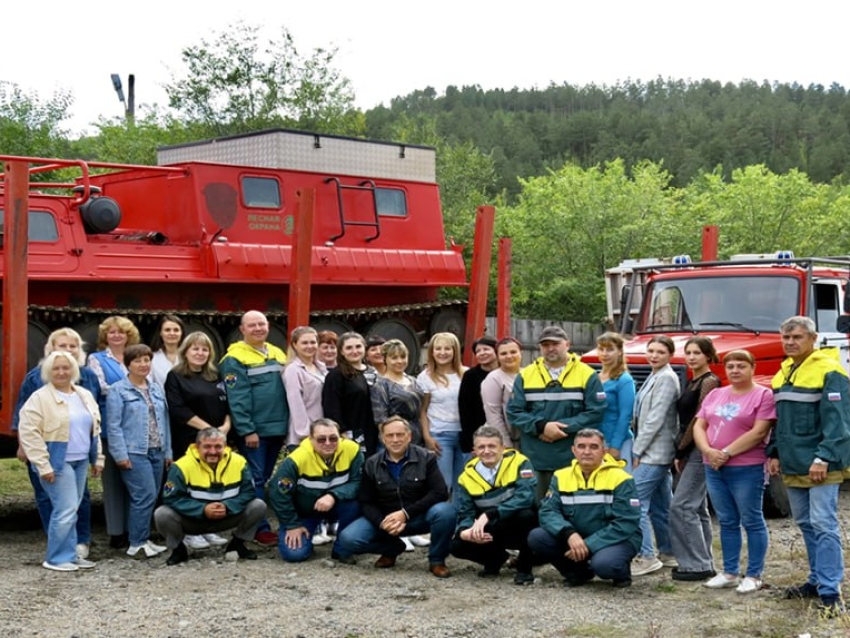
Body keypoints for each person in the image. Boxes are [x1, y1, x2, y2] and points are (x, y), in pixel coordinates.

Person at [768, 316, 850, 616]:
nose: (790, 342)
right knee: (805, 524)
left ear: (813, 339)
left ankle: (831, 592)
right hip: (793, 462)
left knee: (824, 525)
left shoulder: (830, 371)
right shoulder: (785, 371)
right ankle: (816, 580)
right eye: (786, 337)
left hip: (820, 464)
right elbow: (780, 420)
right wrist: (774, 452)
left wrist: (823, 458)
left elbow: (839, 423)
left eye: (797, 337)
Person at [13, 328, 103, 560]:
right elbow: (25, 417)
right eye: (62, 346)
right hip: (52, 452)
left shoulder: (87, 379)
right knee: (53, 501)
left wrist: (97, 455)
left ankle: (78, 545)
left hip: (80, 454)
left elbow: (95, 417)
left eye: (73, 346)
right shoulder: (37, 378)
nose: (68, 350)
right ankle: (59, 553)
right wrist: (25, 447)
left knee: (78, 501)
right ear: (51, 349)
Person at [693, 350, 775, 594]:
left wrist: (725, 452)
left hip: (746, 467)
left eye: (741, 366)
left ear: (752, 367)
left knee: (751, 519)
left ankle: (754, 574)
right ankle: (729, 572)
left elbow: (759, 432)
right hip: (713, 466)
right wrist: (708, 451)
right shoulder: (716, 394)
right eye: (730, 366)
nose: (735, 370)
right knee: (727, 520)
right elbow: (699, 424)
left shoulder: (763, 395)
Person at [336, 416, 457, 577]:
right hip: (386, 520)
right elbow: (366, 501)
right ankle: (391, 548)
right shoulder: (371, 463)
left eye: (400, 435)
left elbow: (440, 492)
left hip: (418, 516)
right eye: (390, 435)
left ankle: (437, 560)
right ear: (383, 439)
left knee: (446, 512)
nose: (395, 439)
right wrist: (382, 522)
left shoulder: (426, 457)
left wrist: (405, 514)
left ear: (409, 436)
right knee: (348, 539)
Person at [527, 428, 641, 587]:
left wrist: (589, 544)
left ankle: (621, 572)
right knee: (537, 537)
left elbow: (626, 522)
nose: (587, 452)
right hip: (576, 537)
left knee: (604, 565)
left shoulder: (621, 478)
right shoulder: (561, 476)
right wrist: (569, 534)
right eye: (581, 446)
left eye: (593, 447)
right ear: (574, 450)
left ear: (604, 451)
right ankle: (577, 572)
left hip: (614, 539)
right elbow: (548, 511)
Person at [506, 326, 606, 501]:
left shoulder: (587, 375)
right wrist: (542, 426)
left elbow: (595, 412)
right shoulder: (525, 376)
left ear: (567, 344)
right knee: (538, 509)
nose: (550, 348)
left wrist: (561, 430)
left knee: (572, 506)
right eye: (545, 345)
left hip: (573, 459)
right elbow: (514, 412)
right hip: (536, 458)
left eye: (555, 343)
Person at [219, 310, 289, 546]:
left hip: (277, 427)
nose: (258, 328)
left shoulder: (277, 352)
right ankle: (259, 528)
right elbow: (237, 398)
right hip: (255, 432)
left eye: (262, 324)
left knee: (264, 477)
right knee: (256, 479)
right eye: (252, 325)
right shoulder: (234, 358)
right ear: (242, 329)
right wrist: (247, 430)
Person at [155, 428, 266, 565]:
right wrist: (203, 509)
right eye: (207, 446)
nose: (213, 452)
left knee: (258, 505)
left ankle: (237, 544)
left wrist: (228, 506)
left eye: (218, 447)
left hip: (227, 516)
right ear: (197, 447)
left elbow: (248, 492)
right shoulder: (181, 466)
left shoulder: (239, 462)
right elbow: (171, 498)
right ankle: (178, 550)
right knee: (162, 514)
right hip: (193, 520)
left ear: (225, 447)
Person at [164, 331, 231, 551]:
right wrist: (209, 430)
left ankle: (207, 528)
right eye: (195, 348)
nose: (200, 353)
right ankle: (189, 531)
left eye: (204, 349)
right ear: (186, 351)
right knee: (190, 486)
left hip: (216, 440)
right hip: (190, 439)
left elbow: (228, 402)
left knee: (210, 484)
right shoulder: (175, 376)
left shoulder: (215, 375)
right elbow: (177, 408)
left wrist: (226, 427)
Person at [450, 425, 537, 585]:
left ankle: (524, 569)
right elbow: (466, 512)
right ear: (474, 451)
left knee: (527, 515)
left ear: (503, 448)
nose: (487, 451)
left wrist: (490, 514)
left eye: (492, 446)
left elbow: (525, 498)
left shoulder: (520, 462)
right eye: (481, 447)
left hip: (516, 525)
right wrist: (465, 531)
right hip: (491, 528)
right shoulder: (466, 476)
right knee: (456, 544)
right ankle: (496, 560)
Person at [106, 344, 171, 558]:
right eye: (137, 361)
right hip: (135, 451)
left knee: (151, 497)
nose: (143, 365)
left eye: (146, 360)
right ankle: (137, 542)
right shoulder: (118, 390)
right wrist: (120, 455)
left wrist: (167, 451)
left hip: (157, 450)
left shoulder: (155, 388)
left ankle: (143, 538)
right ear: (128, 364)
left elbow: (164, 421)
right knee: (144, 495)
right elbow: (113, 425)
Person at [269, 418, 363, 563]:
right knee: (294, 555)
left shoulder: (352, 450)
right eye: (321, 439)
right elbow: (278, 493)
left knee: (356, 503)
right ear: (310, 439)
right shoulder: (297, 459)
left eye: (333, 438)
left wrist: (333, 495)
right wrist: (292, 524)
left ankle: (341, 549)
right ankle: (307, 540)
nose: (328, 443)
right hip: (305, 512)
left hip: (336, 506)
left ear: (340, 437)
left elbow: (358, 482)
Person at [669, 336, 720, 581]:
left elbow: (700, 420)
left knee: (682, 505)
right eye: (688, 352)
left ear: (708, 356)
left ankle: (696, 565)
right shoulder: (692, 381)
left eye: (697, 353)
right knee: (697, 507)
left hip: (701, 447)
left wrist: (681, 448)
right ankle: (704, 560)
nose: (691, 357)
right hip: (690, 448)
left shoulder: (710, 382)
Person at [87, 315, 140, 548]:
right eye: (112, 332)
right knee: (113, 483)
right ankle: (116, 532)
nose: (117, 336)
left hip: (136, 426)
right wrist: (132, 387)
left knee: (135, 481)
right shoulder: (97, 359)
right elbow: (101, 388)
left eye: (122, 332)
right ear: (105, 336)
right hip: (111, 426)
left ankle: (135, 530)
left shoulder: (136, 357)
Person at [631, 335, 680, 576]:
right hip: (654, 450)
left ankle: (647, 555)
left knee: (634, 501)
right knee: (661, 506)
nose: (654, 355)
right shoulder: (654, 375)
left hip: (655, 452)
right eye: (651, 350)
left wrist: (637, 450)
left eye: (660, 352)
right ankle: (669, 551)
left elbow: (655, 419)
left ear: (670, 355)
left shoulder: (667, 378)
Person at [419, 332, 467, 494]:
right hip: (440, 436)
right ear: (431, 351)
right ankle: (442, 517)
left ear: (455, 351)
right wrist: (427, 437)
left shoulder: (466, 374)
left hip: (464, 436)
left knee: (463, 484)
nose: (442, 352)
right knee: (444, 484)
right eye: (438, 348)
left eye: (448, 348)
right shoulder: (425, 377)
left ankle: (460, 518)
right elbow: (422, 410)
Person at [323, 332, 377, 453]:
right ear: (341, 351)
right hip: (352, 433)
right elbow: (331, 408)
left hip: (375, 432)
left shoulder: (373, 371)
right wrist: (341, 433)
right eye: (349, 348)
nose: (354, 351)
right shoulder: (336, 376)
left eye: (358, 346)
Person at [370, 338, 424, 445]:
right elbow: (381, 419)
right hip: (396, 439)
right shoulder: (381, 385)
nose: (399, 361)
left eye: (403, 357)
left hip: (418, 437)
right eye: (394, 358)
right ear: (385, 359)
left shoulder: (413, 380)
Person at [594, 332, 635, 472]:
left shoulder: (624, 380)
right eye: (601, 349)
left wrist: (615, 446)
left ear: (620, 352)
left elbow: (626, 415)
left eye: (610, 349)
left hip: (617, 442)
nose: (605, 353)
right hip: (596, 441)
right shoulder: (594, 378)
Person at [284, 326, 327, 448]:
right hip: (305, 437)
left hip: (323, 431)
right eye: (304, 343)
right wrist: (306, 434)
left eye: (313, 342)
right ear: (294, 345)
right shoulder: (293, 370)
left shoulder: (321, 368)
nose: (310, 346)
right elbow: (295, 403)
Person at [458, 337, 499, 457]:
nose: (482, 353)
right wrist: (472, 443)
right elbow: (465, 410)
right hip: (478, 433)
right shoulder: (470, 376)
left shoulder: (505, 373)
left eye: (486, 349)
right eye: (478, 351)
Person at [481, 337, 523, 448]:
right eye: (503, 353)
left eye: (513, 352)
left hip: (528, 438)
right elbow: (493, 414)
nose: (509, 356)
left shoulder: (528, 374)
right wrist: (505, 444)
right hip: (507, 439)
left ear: (520, 353)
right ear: (498, 357)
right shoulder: (493, 378)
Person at [149, 315, 185, 386]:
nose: (172, 333)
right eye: (167, 330)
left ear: (182, 333)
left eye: (176, 330)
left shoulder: (189, 357)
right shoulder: (151, 358)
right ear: (160, 333)